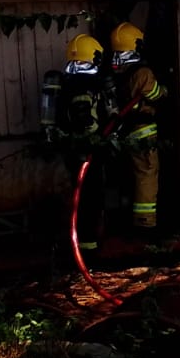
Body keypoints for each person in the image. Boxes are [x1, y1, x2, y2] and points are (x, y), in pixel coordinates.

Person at [50, 33, 112, 253]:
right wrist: (97, 141)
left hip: (75, 151)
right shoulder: (84, 87)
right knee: (90, 198)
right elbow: (85, 121)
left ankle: (87, 243)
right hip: (86, 153)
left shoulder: (70, 84)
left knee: (84, 197)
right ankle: (88, 247)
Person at [110, 22, 168, 232]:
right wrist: (165, 88)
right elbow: (154, 95)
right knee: (147, 174)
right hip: (143, 130)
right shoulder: (142, 72)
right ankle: (146, 223)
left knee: (130, 174)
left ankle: (130, 217)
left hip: (125, 131)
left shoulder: (118, 72)